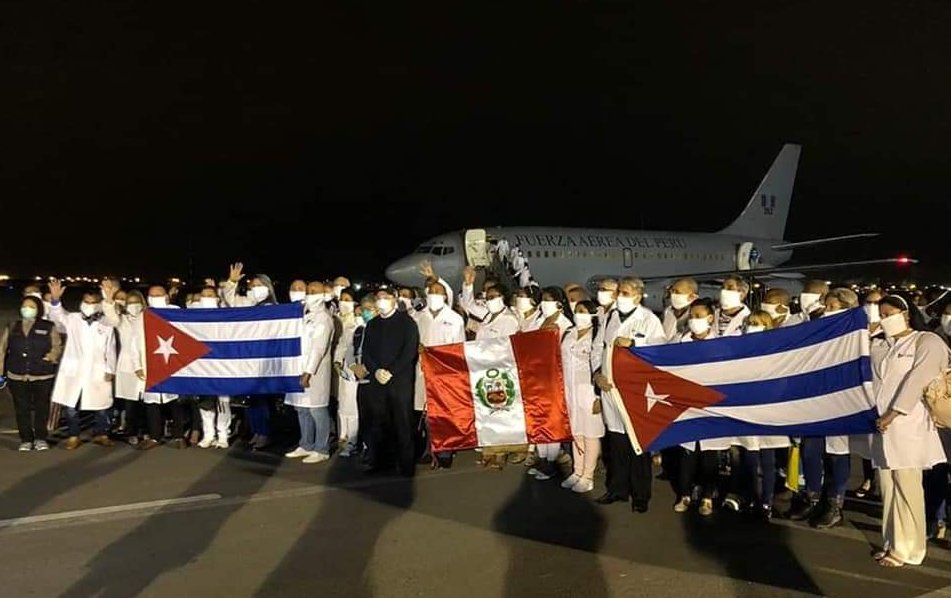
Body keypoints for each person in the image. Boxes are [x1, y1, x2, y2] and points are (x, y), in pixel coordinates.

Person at [871, 295, 948, 568]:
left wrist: (894, 413)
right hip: (880, 427)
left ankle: (910, 549)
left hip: (908, 424)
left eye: (889, 312)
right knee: (888, 487)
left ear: (905, 312)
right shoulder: (880, 344)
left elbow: (918, 379)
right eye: (880, 313)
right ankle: (891, 541)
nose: (884, 317)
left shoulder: (926, 341)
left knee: (908, 486)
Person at [593, 277, 666, 512]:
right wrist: (596, 374)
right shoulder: (610, 316)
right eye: (619, 292)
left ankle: (641, 495)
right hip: (610, 388)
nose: (619, 297)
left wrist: (635, 342)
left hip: (635, 390)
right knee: (617, 443)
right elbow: (598, 347)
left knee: (637, 444)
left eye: (624, 293)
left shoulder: (649, 319)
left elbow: (660, 349)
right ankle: (618, 489)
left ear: (637, 296)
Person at [673, 298, 728, 517]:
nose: (694, 321)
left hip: (710, 406)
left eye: (698, 316)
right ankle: (684, 494)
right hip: (686, 405)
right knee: (687, 454)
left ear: (710, 318)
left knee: (709, 457)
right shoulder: (681, 340)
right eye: (691, 317)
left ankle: (707, 497)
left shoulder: (721, 345)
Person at [47, 279, 117, 450]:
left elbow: (111, 346)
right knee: (72, 405)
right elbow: (57, 317)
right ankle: (73, 435)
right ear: (81, 302)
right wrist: (56, 301)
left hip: (97, 370)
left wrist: (110, 368)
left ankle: (102, 433)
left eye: (94, 302)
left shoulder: (106, 322)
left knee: (101, 405)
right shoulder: (73, 319)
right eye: (87, 302)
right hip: (75, 370)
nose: (90, 305)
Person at [734, 310, 790, 521]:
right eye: (749, 322)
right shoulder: (740, 349)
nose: (751, 326)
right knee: (749, 458)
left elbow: (781, 381)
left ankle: (766, 501)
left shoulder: (775, 351)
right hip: (746, 410)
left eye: (757, 323)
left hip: (768, 410)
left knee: (768, 461)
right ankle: (750, 498)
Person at [359, 286, 420, 477]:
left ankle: (406, 464)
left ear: (394, 299)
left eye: (385, 297)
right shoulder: (373, 324)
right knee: (380, 422)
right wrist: (376, 370)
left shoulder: (407, 322)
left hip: (399, 380)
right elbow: (366, 352)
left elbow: (409, 351)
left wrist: (391, 371)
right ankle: (382, 461)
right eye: (378, 298)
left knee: (402, 422)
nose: (381, 301)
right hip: (377, 381)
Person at [222, 262, 278, 449]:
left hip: (265, 359)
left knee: (262, 399)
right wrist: (231, 281)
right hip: (248, 357)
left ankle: (265, 433)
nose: (255, 289)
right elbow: (230, 299)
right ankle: (256, 431)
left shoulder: (275, 307)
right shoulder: (247, 303)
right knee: (252, 398)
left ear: (268, 287)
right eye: (252, 286)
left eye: (259, 286)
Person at [414, 278, 466, 468]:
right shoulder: (419, 317)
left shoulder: (454, 319)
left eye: (438, 291)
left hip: (444, 374)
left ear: (445, 296)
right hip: (422, 372)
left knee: (443, 413)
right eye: (431, 291)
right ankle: (429, 448)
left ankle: (445, 449)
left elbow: (457, 349)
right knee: (426, 414)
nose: (434, 294)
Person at [0, 295, 63, 451]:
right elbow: (2, 349)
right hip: (17, 374)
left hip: (42, 374)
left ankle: (41, 438)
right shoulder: (13, 326)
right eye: (24, 306)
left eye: (31, 306)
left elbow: (57, 345)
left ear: (38, 309)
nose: (27, 309)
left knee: (42, 408)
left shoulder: (48, 326)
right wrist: (1, 373)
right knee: (22, 409)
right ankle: (26, 439)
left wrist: (51, 357)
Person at [284, 281, 336, 464]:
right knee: (302, 409)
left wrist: (308, 372)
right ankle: (306, 444)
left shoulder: (324, 318)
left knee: (317, 409)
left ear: (323, 295)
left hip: (315, 371)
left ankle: (322, 448)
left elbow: (318, 349)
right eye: (308, 291)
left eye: (314, 291)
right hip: (297, 367)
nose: (310, 294)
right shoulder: (303, 314)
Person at [529, 286, 575, 481]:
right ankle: (543, 458)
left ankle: (551, 463)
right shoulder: (539, 319)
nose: (543, 303)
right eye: (543, 299)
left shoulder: (565, 324)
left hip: (554, 378)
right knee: (539, 419)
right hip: (537, 377)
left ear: (558, 302)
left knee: (552, 422)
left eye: (548, 300)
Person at [560, 299, 605, 494]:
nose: (579, 314)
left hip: (589, 390)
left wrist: (600, 397)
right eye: (577, 310)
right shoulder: (569, 333)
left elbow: (603, 365)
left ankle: (588, 475)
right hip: (570, 390)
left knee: (590, 434)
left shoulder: (597, 335)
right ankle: (577, 471)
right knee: (576, 432)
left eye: (584, 311)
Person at [136, 285, 188, 450]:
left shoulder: (176, 312)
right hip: (150, 363)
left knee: (174, 402)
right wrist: (137, 365)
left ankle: (179, 435)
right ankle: (154, 437)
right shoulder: (142, 316)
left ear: (166, 296)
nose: (155, 297)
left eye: (158, 295)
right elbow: (134, 343)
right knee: (152, 404)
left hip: (171, 362)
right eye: (152, 295)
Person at [103, 283, 147, 446]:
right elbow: (110, 315)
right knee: (130, 404)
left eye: (137, 302)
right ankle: (132, 432)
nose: (133, 306)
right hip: (127, 367)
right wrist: (108, 298)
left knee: (145, 402)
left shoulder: (149, 318)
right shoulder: (122, 320)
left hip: (146, 365)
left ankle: (146, 431)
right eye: (130, 303)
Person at [189, 286, 232, 449]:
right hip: (201, 364)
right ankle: (208, 434)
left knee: (223, 401)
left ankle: (223, 434)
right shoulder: (192, 316)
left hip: (221, 364)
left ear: (217, 298)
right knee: (205, 402)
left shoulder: (226, 314)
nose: (207, 298)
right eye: (204, 295)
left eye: (211, 295)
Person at [333, 287, 362, 457]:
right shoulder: (349, 328)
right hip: (344, 373)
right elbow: (342, 345)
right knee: (343, 406)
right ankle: (342, 437)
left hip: (358, 373)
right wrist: (337, 362)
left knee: (353, 408)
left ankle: (353, 441)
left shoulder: (366, 328)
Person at [663, 278, 699, 342]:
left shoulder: (696, 316)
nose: (673, 295)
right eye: (672, 291)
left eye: (677, 292)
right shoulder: (668, 312)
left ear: (692, 296)